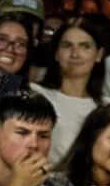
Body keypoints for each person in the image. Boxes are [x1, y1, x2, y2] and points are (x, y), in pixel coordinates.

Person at [33, 19, 104, 168]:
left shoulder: (107, 108)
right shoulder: (35, 94)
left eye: (85, 46)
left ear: (99, 54)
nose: (75, 54)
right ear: (56, 53)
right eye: (67, 46)